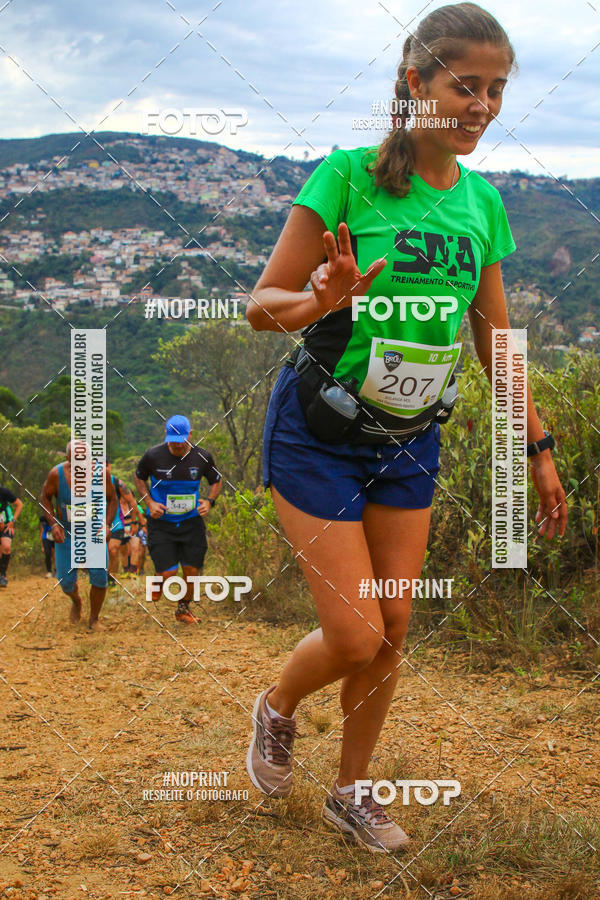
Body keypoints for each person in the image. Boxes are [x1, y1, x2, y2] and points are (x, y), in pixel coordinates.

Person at [245, 3, 568, 852]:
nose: (483, 106)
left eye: (497, 90)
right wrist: (320, 299)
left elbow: (496, 340)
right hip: (318, 431)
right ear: (415, 82)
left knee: (394, 627)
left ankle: (352, 792)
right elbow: (259, 309)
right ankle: (278, 708)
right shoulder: (346, 177)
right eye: (466, 86)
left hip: (409, 437)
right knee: (354, 633)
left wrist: (535, 447)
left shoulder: (483, 206)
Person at [134, 414, 222, 624]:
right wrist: (150, 503)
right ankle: (158, 579)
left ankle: (183, 609)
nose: (177, 445)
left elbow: (216, 481)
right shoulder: (153, 455)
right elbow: (139, 477)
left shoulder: (202, 457)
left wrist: (209, 501)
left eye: (181, 440)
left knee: (192, 571)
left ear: (190, 435)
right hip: (161, 523)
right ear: (166, 436)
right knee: (169, 572)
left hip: (191, 522)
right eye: (173, 441)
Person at [39, 443, 118, 630]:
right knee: (66, 582)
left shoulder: (101, 474)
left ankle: (94, 619)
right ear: (67, 460)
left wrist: (107, 524)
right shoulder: (56, 475)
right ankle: (76, 601)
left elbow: (112, 499)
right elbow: (45, 498)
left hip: (94, 530)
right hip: (67, 533)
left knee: (100, 576)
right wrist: (54, 524)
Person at [106, 461, 143, 582]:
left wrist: (135, 523)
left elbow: (134, 506)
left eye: (104, 465)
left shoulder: (118, 484)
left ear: (109, 466)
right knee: (119, 551)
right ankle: (107, 575)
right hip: (98, 522)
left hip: (118, 524)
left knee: (117, 549)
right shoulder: (86, 483)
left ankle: (118, 578)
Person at [0, 486, 23, 587]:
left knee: (6, 547)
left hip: (6, 525)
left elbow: (19, 504)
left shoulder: (3, 491)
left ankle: (3, 575)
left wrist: (12, 521)